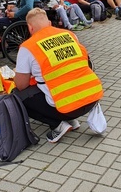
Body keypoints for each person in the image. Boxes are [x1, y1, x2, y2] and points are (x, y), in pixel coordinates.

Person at [14, 8, 104, 143]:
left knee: (17, 95)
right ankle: (72, 121)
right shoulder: (70, 35)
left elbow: (21, 85)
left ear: (30, 27)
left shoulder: (28, 47)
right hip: (91, 99)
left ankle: (58, 124)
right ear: (49, 23)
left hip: (68, 107)